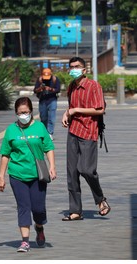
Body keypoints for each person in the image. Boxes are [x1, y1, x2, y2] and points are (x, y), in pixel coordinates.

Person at [0, 96, 56, 252]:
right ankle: (25, 241)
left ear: (31, 111)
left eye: (26, 112)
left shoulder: (40, 128)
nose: (23, 115)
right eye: (20, 112)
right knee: (23, 206)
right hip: (17, 174)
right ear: (16, 113)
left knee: (38, 209)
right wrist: (1, 176)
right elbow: (5, 154)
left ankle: (39, 227)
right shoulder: (11, 130)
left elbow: (49, 147)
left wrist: (52, 166)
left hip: (38, 175)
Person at [61, 56, 111, 221]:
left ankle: (100, 199)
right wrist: (67, 113)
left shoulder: (93, 86)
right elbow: (70, 107)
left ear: (84, 69)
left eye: (77, 66)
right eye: (71, 67)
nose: (73, 69)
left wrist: (76, 110)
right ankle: (75, 211)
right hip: (73, 131)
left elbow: (100, 110)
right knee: (72, 173)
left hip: (88, 131)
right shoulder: (71, 86)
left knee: (86, 170)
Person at [33, 68, 60, 140]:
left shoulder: (55, 79)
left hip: (52, 100)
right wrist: (40, 89)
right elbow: (35, 90)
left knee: (52, 117)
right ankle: (44, 132)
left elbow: (58, 89)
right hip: (42, 100)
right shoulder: (40, 79)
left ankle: (50, 133)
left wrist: (50, 89)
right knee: (43, 117)